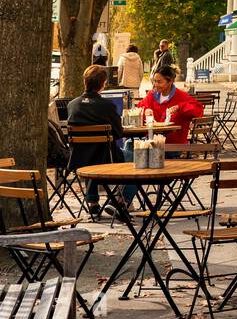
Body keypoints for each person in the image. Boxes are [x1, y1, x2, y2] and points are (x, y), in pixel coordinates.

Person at [67, 63, 129, 219]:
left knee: (92, 152)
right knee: (133, 157)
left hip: (79, 159)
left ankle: (93, 204)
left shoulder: (72, 105)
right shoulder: (107, 105)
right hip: (106, 158)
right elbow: (118, 133)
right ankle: (119, 201)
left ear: (84, 82)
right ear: (103, 84)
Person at [138, 60, 204, 145]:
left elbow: (199, 111)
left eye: (159, 82)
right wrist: (145, 110)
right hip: (152, 142)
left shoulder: (181, 96)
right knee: (129, 147)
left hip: (174, 145)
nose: (155, 84)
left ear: (170, 82)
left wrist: (180, 107)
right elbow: (140, 107)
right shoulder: (151, 94)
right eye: (154, 81)